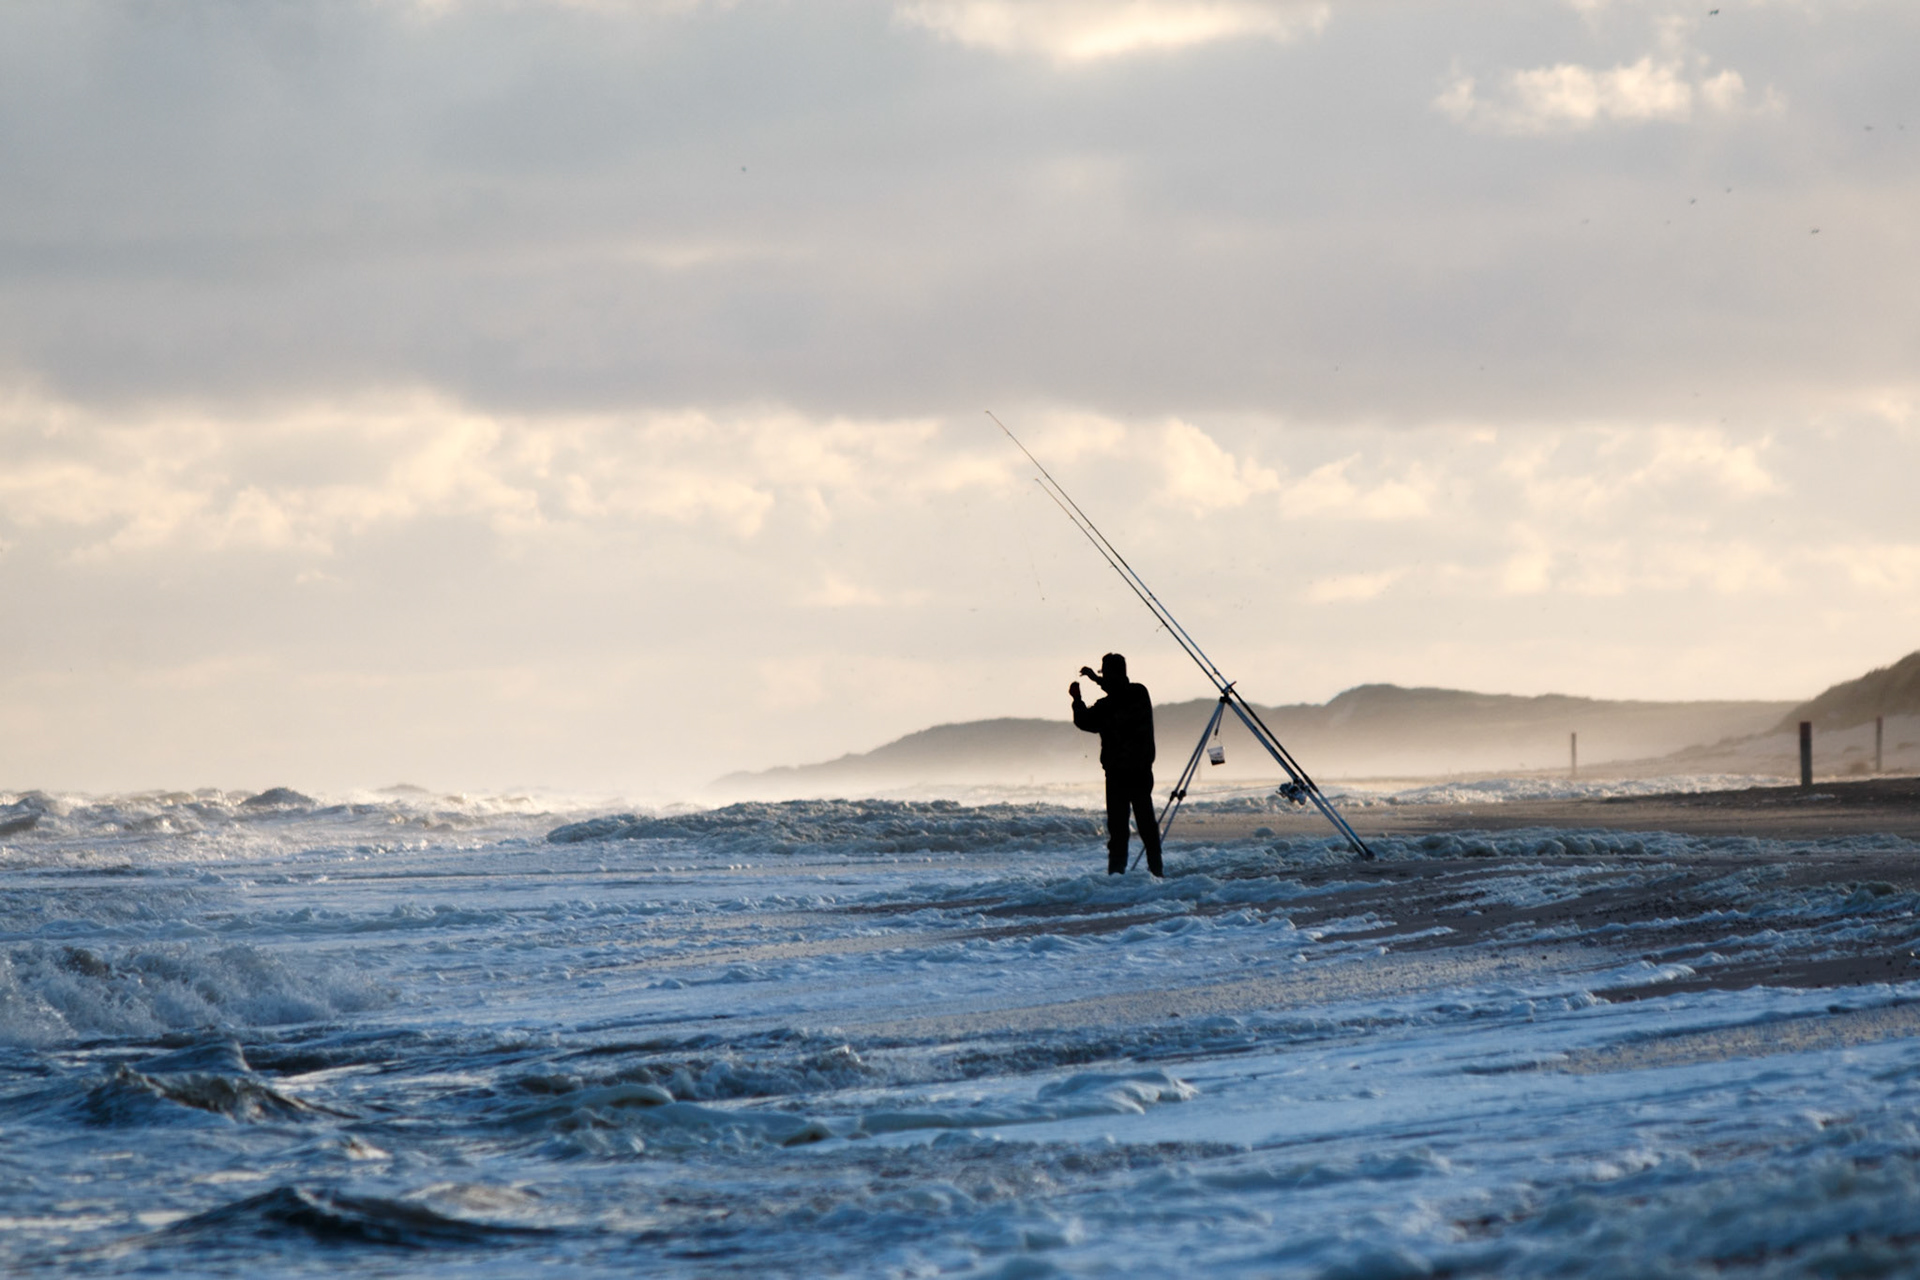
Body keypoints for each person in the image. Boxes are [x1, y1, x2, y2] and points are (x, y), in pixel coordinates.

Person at [1070, 653, 1164, 877]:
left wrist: (1076, 698)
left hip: (1117, 776)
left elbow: (1084, 720)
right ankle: (1157, 872)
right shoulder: (1140, 693)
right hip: (1141, 772)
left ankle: (1116, 876)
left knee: (1119, 830)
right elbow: (1119, 690)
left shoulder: (1106, 706)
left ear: (1111, 674)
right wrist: (1095, 678)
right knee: (1147, 826)